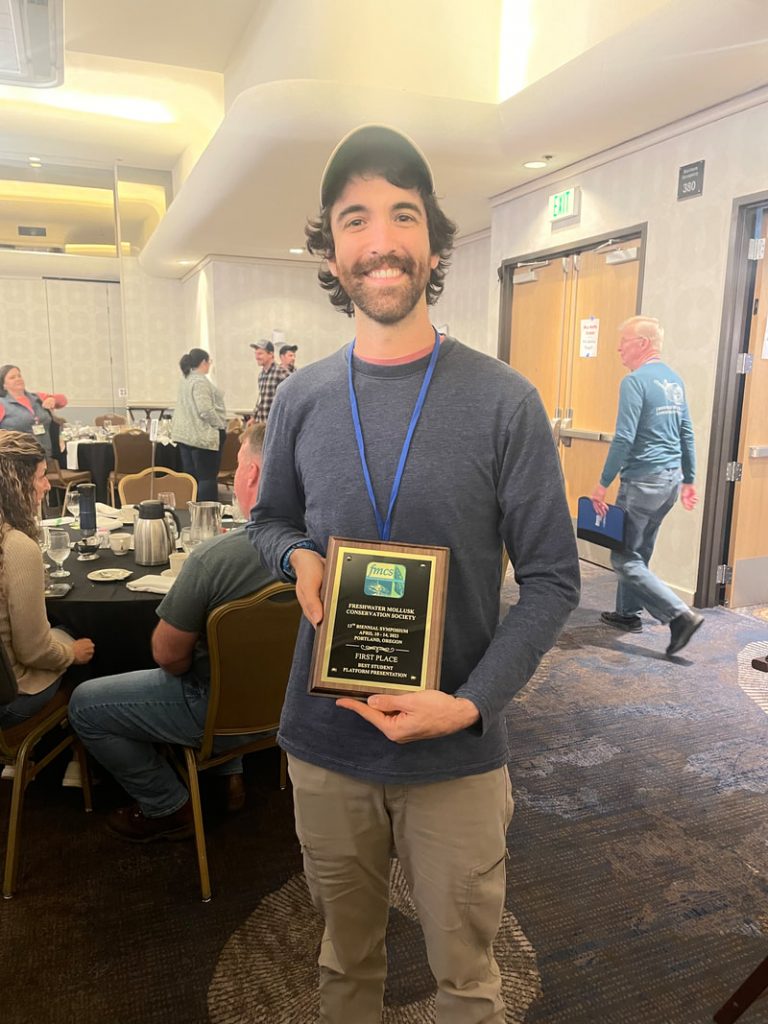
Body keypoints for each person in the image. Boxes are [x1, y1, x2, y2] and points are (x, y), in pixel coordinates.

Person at [247, 124, 580, 1023]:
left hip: (458, 753)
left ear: (433, 243)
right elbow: (267, 519)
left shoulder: (503, 400)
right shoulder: (306, 398)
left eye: (403, 214)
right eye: (355, 219)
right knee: (342, 966)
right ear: (331, 247)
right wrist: (295, 555)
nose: (381, 239)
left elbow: (554, 578)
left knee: (466, 982)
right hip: (324, 742)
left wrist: (471, 703)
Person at [69, 423, 276, 841]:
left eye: (236, 466)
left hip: (212, 709)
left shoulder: (215, 558)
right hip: (290, 710)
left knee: (84, 705)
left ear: (251, 475)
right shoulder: (326, 545)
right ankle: (230, 771)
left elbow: (168, 656)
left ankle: (167, 805)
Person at [590, 315, 703, 656]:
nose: (619, 348)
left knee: (624, 558)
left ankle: (679, 615)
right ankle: (627, 614)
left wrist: (602, 484)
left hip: (642, 480)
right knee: (640, 550)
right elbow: (686, 432)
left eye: (624, 341)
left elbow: (624, 436)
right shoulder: (673, 379)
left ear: (643, 343)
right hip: (669, 480)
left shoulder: (635, 381)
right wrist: (689, 479)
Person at [0, 431, 94, 729]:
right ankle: (61, 764)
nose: (47, 484)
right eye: (41, 476)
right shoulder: (14, 547)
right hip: (9, 699)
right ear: (16, 484)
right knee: (84, 643)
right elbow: (34, 650)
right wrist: (72, 653)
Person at [170, 348, 227, 502]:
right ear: (204, 362)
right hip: (202, 437)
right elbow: (205, 410)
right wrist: (220, 425)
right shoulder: (200, 381)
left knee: (192, 479)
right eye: (209, 362)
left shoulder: (186, 379)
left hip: (185, 436)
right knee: (207, 478)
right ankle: (207, 515)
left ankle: (194, 513)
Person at [0, 364, 68, 458]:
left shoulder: (37, 397)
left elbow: (63, 400)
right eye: (12, 377)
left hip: (45, 454)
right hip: (18, 458)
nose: (18, 379)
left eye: (19, 376)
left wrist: (53, 399)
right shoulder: (2, 403)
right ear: (4, 385)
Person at [250, 339, 288, 422]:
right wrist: (253, 417)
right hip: (262, 424)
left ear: (271, 354)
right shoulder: (261, 375)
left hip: (275, 424)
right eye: (256, 354)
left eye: (260, 353)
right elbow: (261, 399)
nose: (257, 357)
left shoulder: (282, 372)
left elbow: (289, 399)